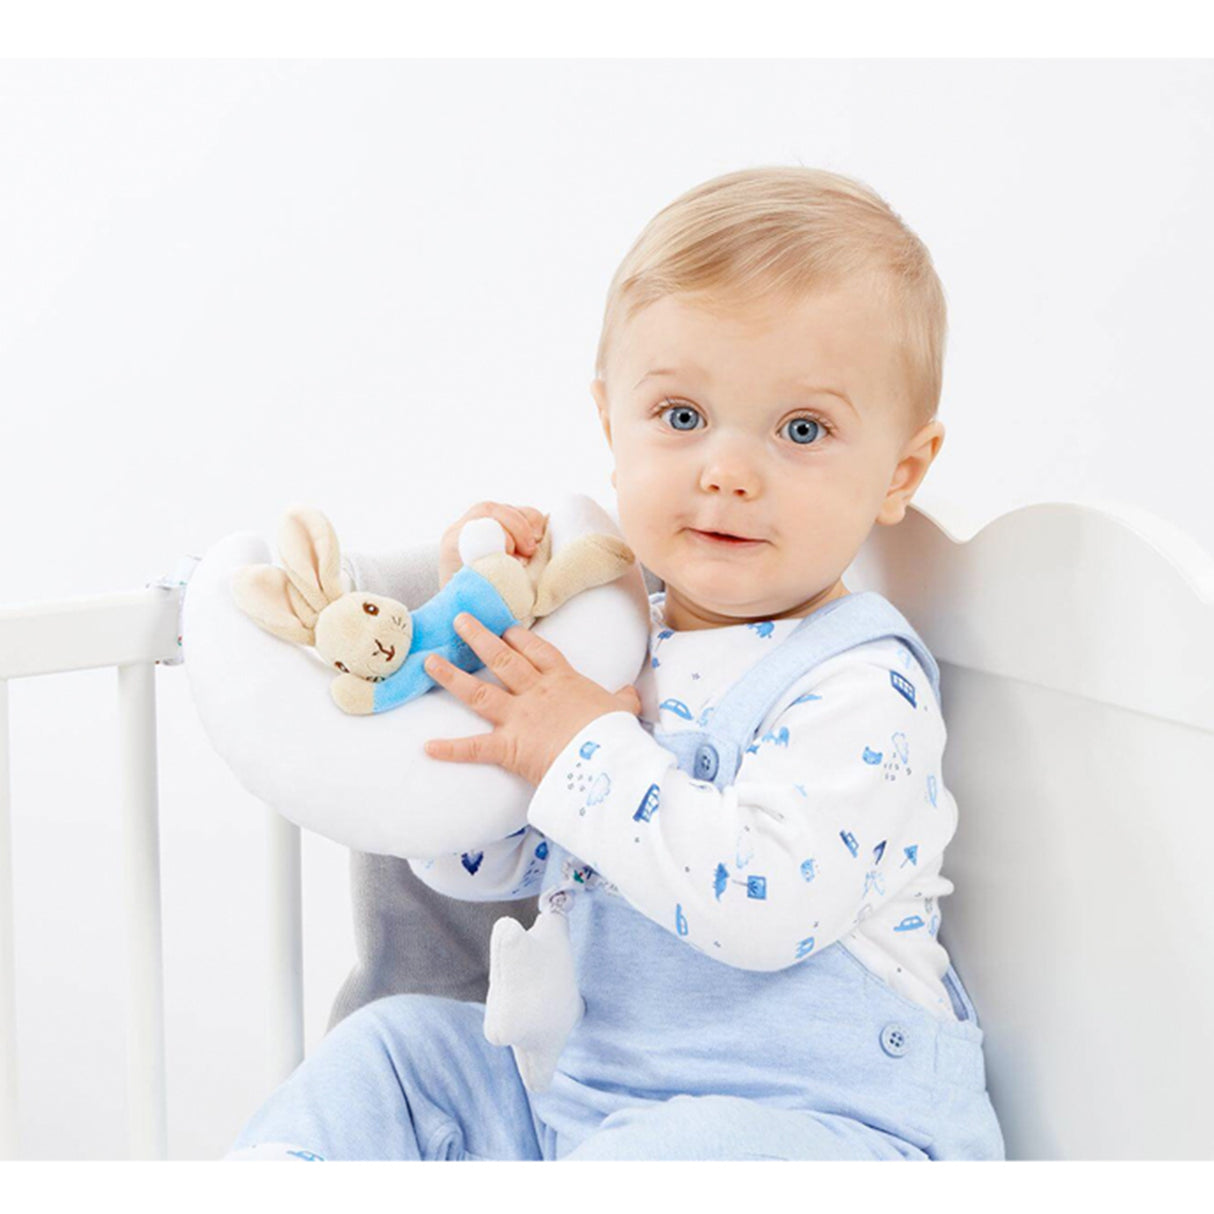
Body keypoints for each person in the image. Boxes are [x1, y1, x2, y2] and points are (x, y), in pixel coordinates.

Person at [228, 165, 1005, 1161]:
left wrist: (580, 744)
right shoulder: (611, 639)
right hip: (594, 1106)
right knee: (393, 1052)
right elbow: (500, 863)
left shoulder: (860, 683)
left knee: (681, 1152)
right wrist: (485, 701)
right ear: (611, 424)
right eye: (680, 417)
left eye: (801, 429)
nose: (726, 471)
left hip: (827, 1123)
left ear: (899, 470)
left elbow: (764, 902)